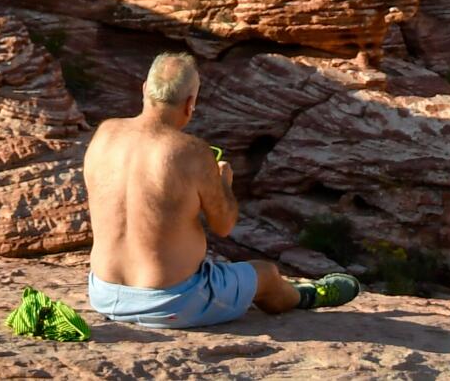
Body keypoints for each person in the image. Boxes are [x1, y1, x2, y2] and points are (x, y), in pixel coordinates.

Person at [83, 50, 361, 329]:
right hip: (171, 304)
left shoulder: (105, 134)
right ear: (190, 103)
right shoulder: (192, 152)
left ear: (145, 90)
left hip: (104, 294)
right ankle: (306, 295)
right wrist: (224, 185)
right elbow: (223, 225)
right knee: (265, 274)